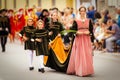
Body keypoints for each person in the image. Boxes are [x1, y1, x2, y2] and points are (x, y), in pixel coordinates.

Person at [67, 6, 94, 77]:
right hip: (79, 39)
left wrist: (89, 33)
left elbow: (91, 31)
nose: (82, 12)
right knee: (80, 54)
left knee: (87, 54)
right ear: (79, 12)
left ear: (85, 12)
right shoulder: (76, 21)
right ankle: (80, 70)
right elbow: (72, 31)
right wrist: (76, 33)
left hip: (86, 39)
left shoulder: (89, 20)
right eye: (81, 11)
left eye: (84, 11)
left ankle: (86, 70)